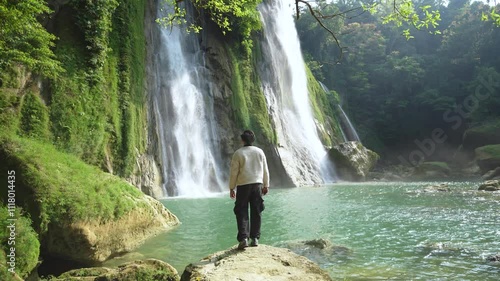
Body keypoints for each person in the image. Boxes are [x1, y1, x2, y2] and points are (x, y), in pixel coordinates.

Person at [229, 130, 269, 250]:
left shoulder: (238, 153)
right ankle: (255, 238)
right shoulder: (259, 152)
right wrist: (266, 185)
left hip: (243, 185)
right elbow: (265, 169)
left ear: (242, 140)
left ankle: (244, 239)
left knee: (241, 211)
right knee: (257, 210)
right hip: (257, 184)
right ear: (253, 140)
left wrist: (232, 187)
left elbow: (234, 173)